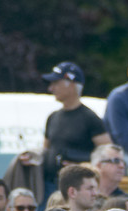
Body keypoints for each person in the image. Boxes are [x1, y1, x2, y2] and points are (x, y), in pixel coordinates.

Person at [39, 62, 110, 194]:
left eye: (56, 83)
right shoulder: (53, 117)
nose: (51, 88)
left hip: (77, 187)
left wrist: (82, 165)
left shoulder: (90, 118)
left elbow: (107, 154)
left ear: (71, 84)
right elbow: (46, 149)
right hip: (50, 185)